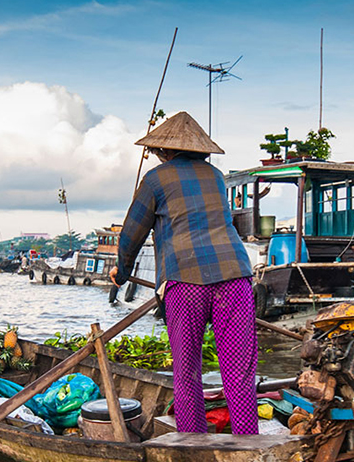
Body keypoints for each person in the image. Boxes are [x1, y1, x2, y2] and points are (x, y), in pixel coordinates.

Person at [110, 111, 258, 435]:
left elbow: (132, 233)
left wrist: (121, 273)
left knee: (187, 370)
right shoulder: (217, 176)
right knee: (239, 370)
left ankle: (193, 440)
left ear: (164, 151)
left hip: (186, 282)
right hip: (235, 277)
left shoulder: (154, 179)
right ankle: (248, 440)